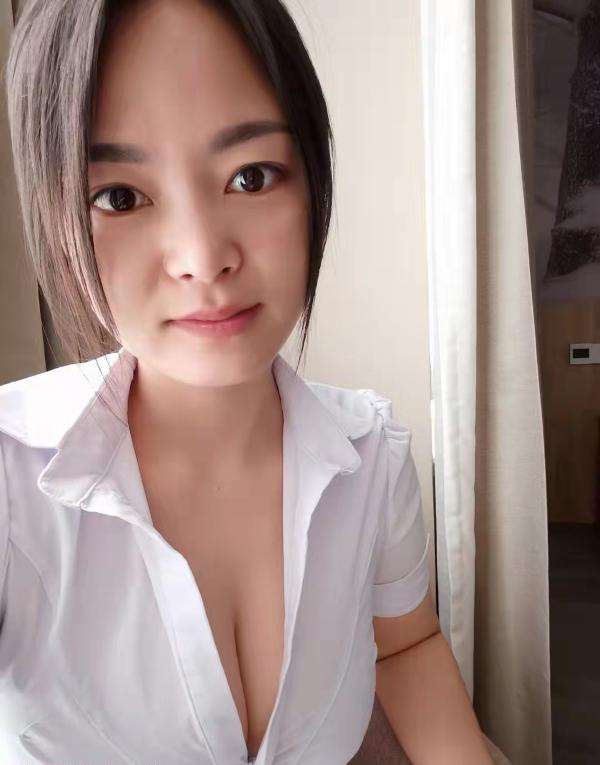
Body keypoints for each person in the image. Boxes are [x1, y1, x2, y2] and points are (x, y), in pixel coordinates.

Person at [0, 0, 494, 763]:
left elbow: (406, 643)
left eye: (251, 176)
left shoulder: (372, 453)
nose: (203, 257)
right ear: (57, 217)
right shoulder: (11, 475)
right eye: (120, 196)